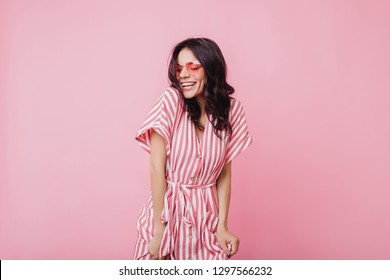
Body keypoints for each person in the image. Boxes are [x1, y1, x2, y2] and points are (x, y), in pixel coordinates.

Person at [133, 37, 253, 260]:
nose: (183, 75)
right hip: (166, 217)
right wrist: (160, 232)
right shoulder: (171, 101)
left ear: (210, 68)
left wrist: (222, 226)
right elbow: (156, 169)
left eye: (193, 66)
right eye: (179, 68)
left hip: (206, 222)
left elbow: (224, 173)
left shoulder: (232, 111)